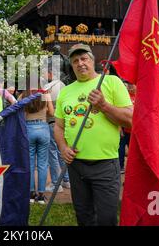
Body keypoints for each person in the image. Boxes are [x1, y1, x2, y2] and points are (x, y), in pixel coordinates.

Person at [54, 43, 133, 226]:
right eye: (75, 61)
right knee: (83, 216)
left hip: (105, 164)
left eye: (84, 59)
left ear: (92, 60)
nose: (80, 63)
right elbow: (58, 126)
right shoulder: (65, 91)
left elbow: (130, 119)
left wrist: (103, 105)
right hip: (76, 165)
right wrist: (63, 147)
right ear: (71, 66)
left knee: (106, 219)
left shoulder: (111, 82)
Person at [20, 78, 53, 204]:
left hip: (28, 130)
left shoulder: (23, 95)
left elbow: (19, 113)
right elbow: (52, 112)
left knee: (30, 163)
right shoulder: (45, 94)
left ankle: (31, 194)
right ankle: (41, 195)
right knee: (43, 164)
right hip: (43, 128)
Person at [41, 59, 69, 193]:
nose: (43, 75)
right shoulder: (63, 85)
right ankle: (67, 180)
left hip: (52, 122)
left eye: (45, 72)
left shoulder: (48, 87)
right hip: (64, 123)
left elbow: (45, 108)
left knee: (52, 153)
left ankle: (55, 184)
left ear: (50, 73)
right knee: (61, 151)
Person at [119, 81, 136, 173]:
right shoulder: (125, 95)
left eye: (131, 85)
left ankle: (132, 169)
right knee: (121, 148)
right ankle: (121, 166)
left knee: (133, 151)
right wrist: (120, 128)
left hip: (134, 131)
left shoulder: (139, 96)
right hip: (124, 129)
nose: (130, 87)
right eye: (129, 85)